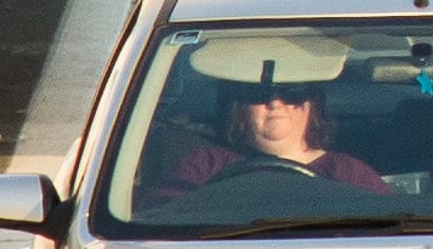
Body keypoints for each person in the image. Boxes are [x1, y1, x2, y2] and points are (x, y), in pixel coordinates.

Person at [149, 55, 392, 206]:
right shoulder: (207, 165)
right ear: (239, 110)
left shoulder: (347, 172)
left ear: (312, 104)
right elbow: (160, 215)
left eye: (291, 92)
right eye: (259, 93)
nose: (275, 102)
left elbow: (387, 225)